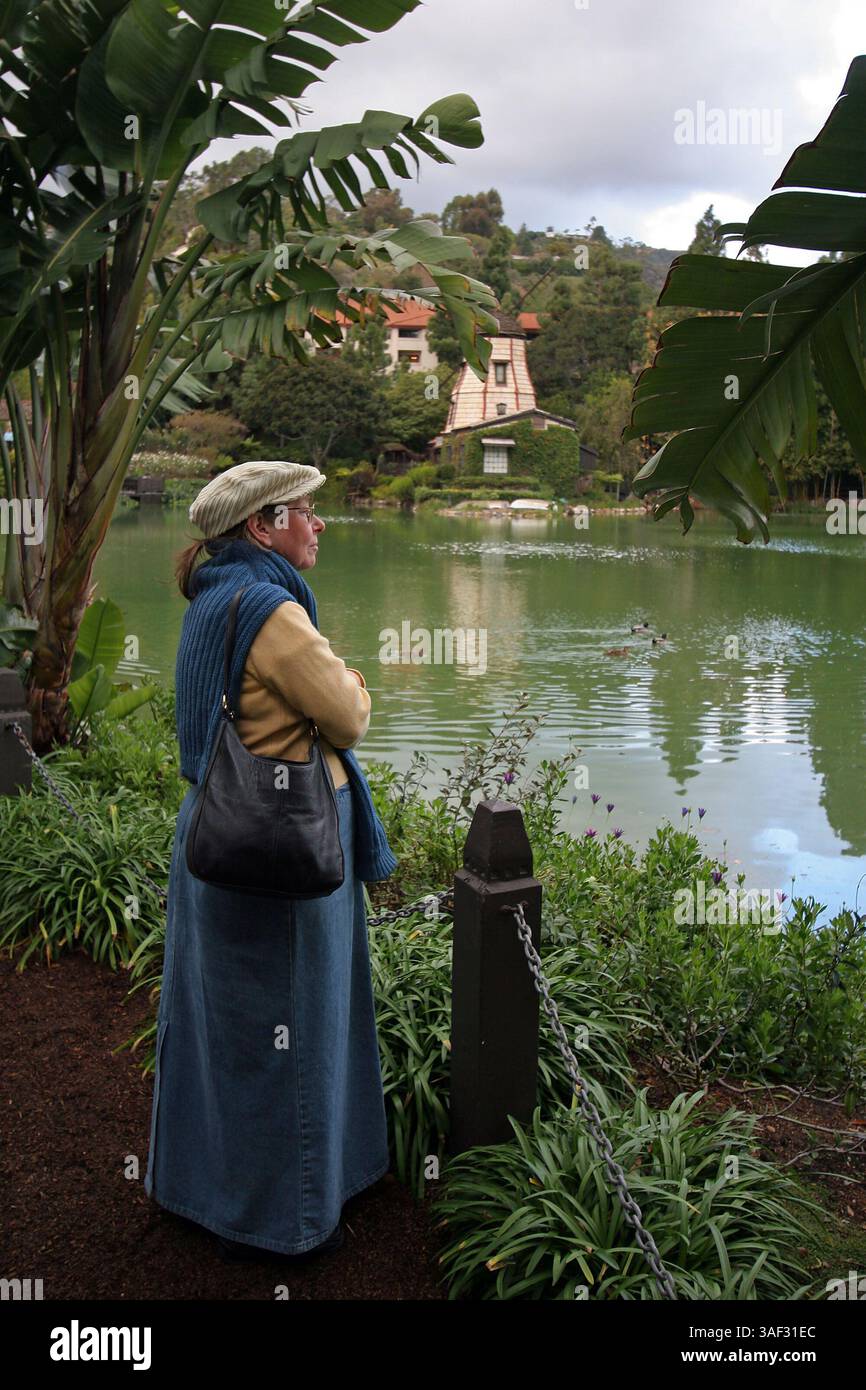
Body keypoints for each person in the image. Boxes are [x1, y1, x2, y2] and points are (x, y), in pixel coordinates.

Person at [143, 460, 398, 1263]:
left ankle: (202, 1189)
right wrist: (352, 672)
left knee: (225, 1030)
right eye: (305, 512)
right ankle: (287, 1219)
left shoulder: (214, 600)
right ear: (262, 527)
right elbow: (348, 714)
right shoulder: (272, 609)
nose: (318, 524)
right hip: (282, 850)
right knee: (294, 1024)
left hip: (215, 840)